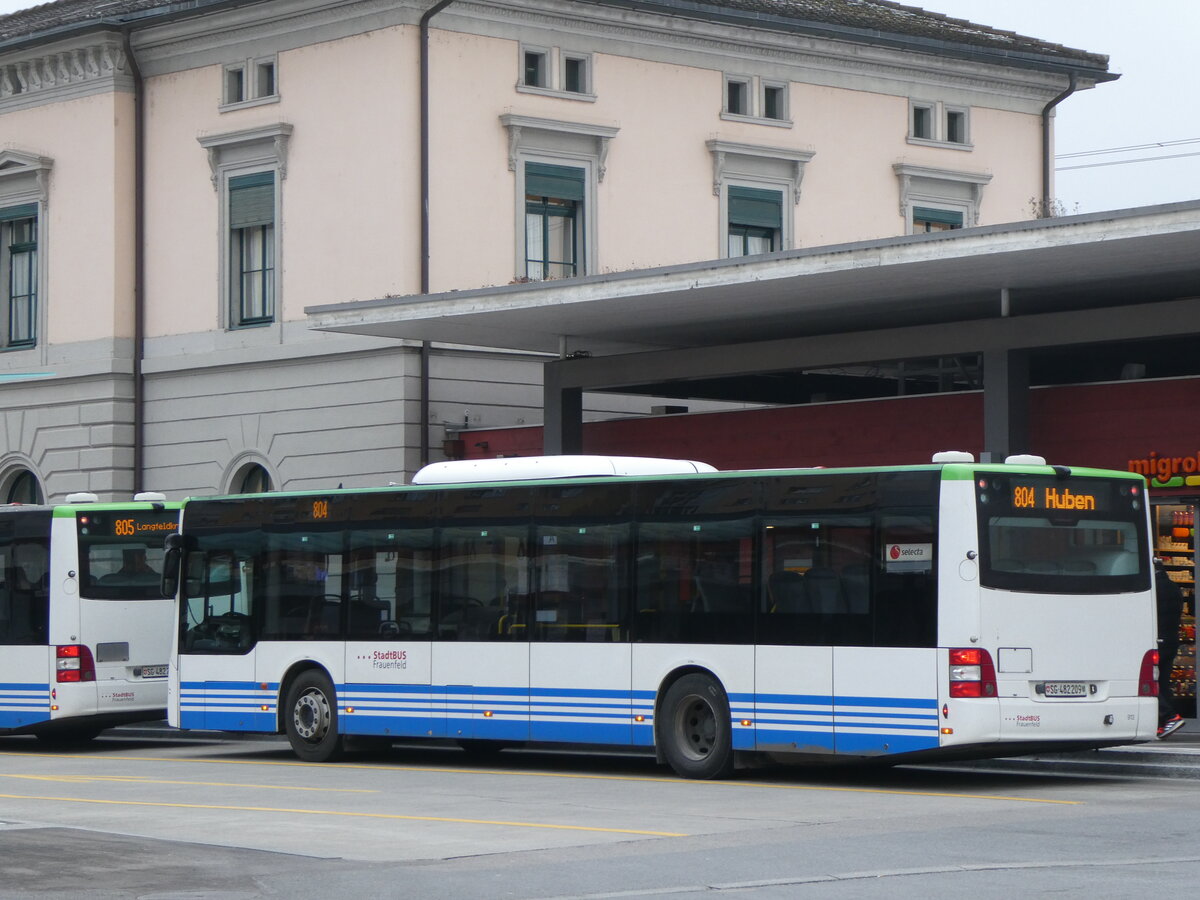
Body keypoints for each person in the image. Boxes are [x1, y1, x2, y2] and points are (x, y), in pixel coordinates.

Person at [1155, 559, 1186, 739]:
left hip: (1157, 640)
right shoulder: (1173, 587)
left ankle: (1169, 716)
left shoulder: (1155, 589)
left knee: (1150, 683)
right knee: (1163, 682)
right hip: (1171, 640)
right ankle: (1162, 724)